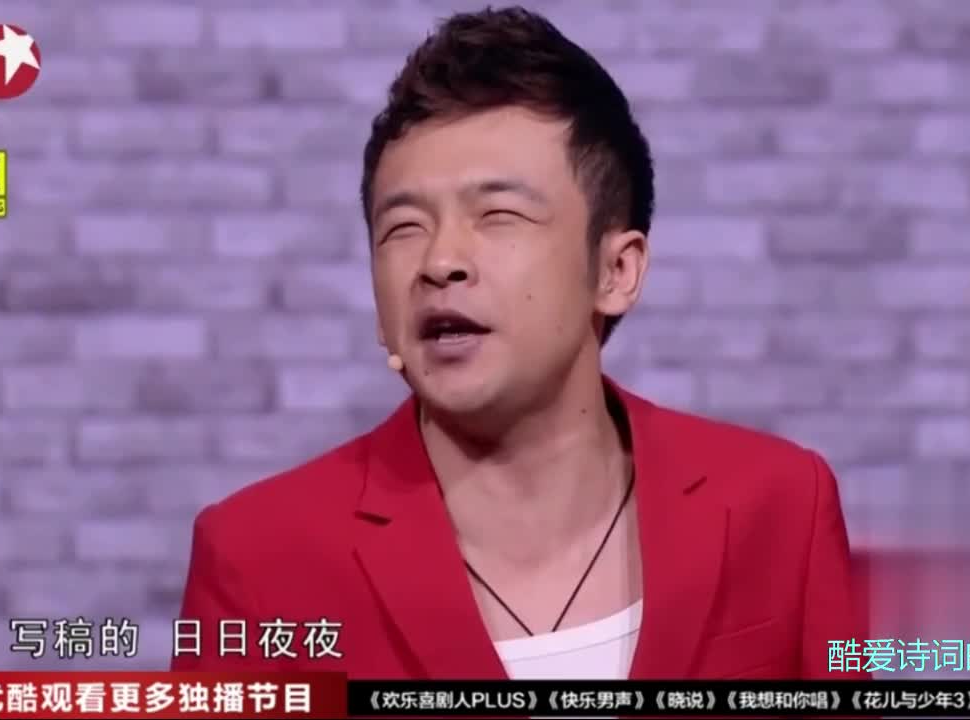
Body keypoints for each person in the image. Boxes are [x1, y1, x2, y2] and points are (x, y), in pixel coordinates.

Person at [173, 5, 867, 681]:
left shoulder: (779, 508)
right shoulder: (258, 559)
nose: (440, 261)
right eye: (404, 227)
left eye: (498, 215)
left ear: (616, 271)